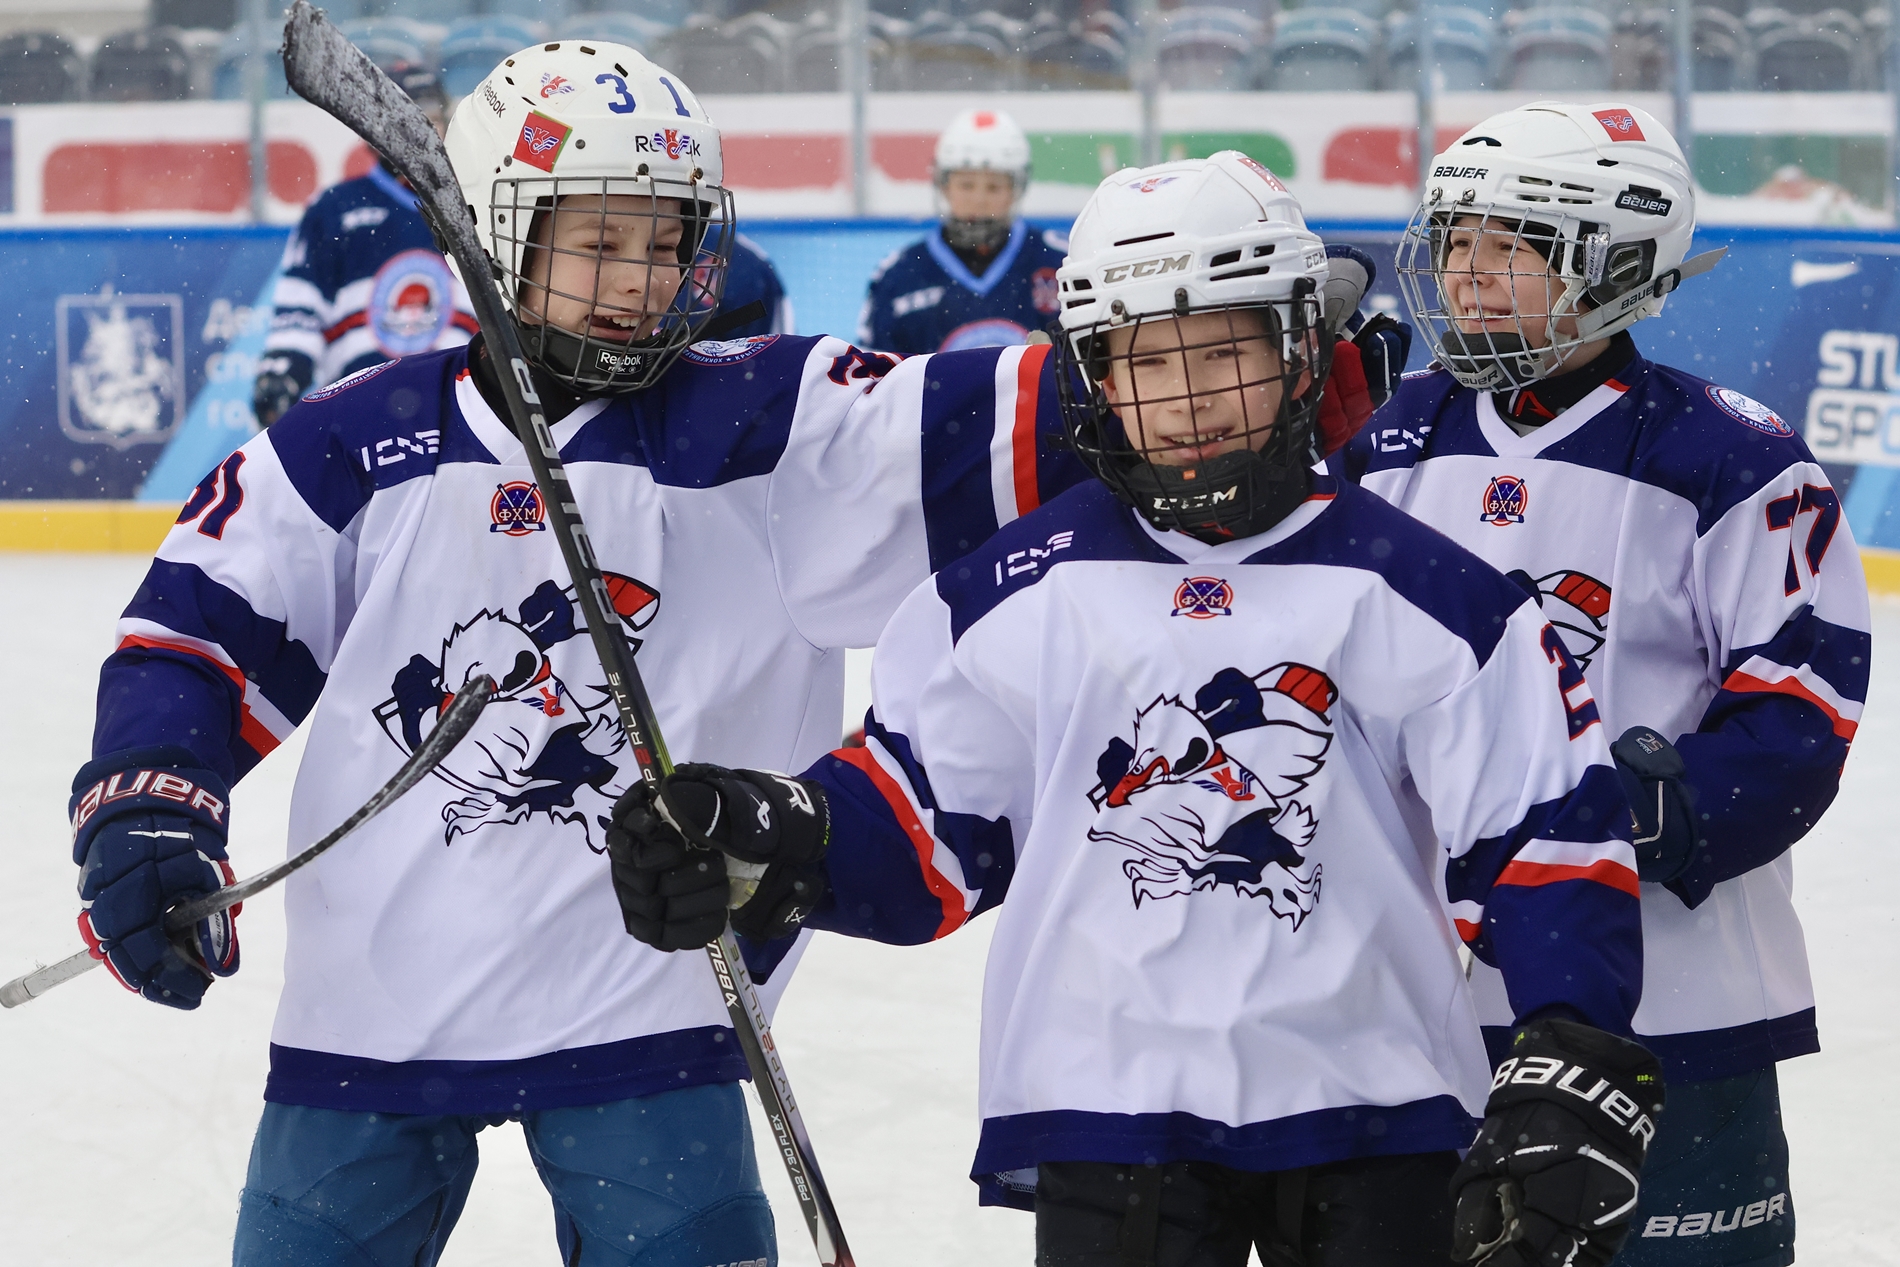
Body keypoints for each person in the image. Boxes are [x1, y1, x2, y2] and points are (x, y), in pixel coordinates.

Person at [69, 42, 1113, 1267]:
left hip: (649, 1010)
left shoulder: (767, 424)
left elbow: (1058, 419)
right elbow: (192, 634)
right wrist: (147, 807)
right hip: (376, 1012)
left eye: (666, 244)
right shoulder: (355, 441)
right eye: (600, 242)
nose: (643, 282)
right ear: (492, 236)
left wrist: (1228, 362)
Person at [606, 154, 1664, 1267]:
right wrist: (768, 837)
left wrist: (1570, 1053)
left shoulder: (1424, 589)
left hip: (1375, 1104)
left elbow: (1547, 829)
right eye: (1148, 360)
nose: (1189, 397)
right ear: (1094, 378)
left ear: (1299, 350)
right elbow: (923, 829)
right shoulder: (1008, 593)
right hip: (1106, 1111)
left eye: (1223, 352)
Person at [1336, 100, 1873, 1267]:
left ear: (1618, 264)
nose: (1467, 273)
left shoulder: (1730, 458)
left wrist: (1628, 810)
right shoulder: (1386, 439)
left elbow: (1802, 705)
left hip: (1671, 1006)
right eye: (1456, 241)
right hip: (1415, 1005)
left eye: (1510, 246)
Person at [252, 62, 478, 427]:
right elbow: (301, 307)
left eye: (432, 119)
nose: (421, 132)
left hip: (459, 412)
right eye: (405, 122)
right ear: (372, 132)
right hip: (361, 412)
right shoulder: (335, 209)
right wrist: (284, 371)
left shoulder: (475, 203)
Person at [858, 108, 1069, 353]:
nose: (979, 200)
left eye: (994, 187)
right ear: (944, 185)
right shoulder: (900, 276)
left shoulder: (1060, 263)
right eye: (966, 185)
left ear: (1016, 188)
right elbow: (875, 369)